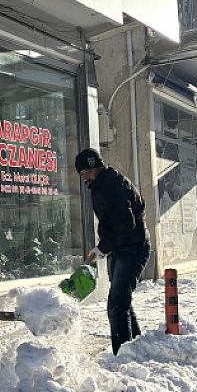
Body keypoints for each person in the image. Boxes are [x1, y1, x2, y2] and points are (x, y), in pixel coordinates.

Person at [75, 148, 151, 356]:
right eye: (82, 174)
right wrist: (102, 249)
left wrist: (100, 250)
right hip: (121, 248)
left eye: (88, 172)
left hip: (133, 248)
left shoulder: (113, 185)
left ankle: (123, 356)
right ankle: (135, 347)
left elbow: (125, 225)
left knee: (117, 305)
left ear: (98, 167)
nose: (85, 178)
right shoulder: (101, 185)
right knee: (121, 302)